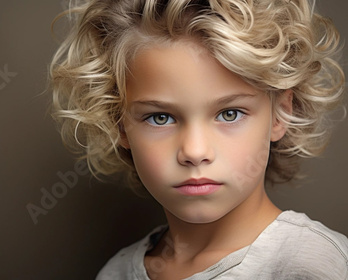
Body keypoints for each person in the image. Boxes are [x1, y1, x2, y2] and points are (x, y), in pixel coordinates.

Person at [49, 0, 348, 279]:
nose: (194, 152)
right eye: (160, 117)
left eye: (230, 114)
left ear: (280, 114)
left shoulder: (311, 265)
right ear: (121, 126)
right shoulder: (116, 273)